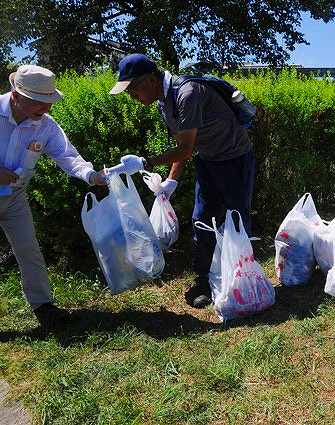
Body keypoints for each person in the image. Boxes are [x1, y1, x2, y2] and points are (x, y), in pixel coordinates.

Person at [109, 54, 255, 308]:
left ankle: (243, 279)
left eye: (133, 89)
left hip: (234, 159)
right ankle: (203, 280)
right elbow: (184, 146)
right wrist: (170, 181)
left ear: (151, 79)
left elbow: (185, 149)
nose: (132, 96)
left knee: (237, 218)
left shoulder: (187, 94)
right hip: (208, 160)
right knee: (202, 219)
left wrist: (145, 163)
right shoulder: (165, 102)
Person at [1, 65, 106, 329]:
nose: (47, 109)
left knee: (29, 250)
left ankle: (44, 307)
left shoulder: (46, 126)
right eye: (39, 102)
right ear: (16, 96)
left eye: (49, 101)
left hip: (14, 198)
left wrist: (91, 176)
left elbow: (68, 157)